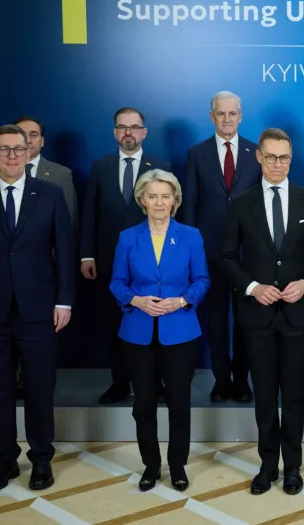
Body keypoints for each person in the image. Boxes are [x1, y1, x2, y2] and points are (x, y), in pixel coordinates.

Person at [0, 124, 75, 492]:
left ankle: (41, 460)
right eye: (3, 149)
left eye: (18, 149)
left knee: (40, 388)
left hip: (39, 308)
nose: (11, 156)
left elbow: (66, 253)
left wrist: (64, 300)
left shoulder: (51, 194)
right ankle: (4, 460)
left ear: (29, 152)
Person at [221, 128, 304, 496]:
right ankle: (267, 465)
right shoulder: (241, 203)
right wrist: (254, 288)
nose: (277, 164)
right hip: (256, 317)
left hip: (297, 316)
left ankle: (293, 468)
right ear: (258, 157)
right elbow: (226, 257)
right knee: (266, 396)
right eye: (270, 157)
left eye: (283, 157)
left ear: (291, 158)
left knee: (295, 396)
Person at [109, 169, 211, 493]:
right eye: (152, 196)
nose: (159, 202)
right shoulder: (128, 237)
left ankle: (177, 464)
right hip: (138, 332)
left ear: (175, 200)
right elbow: (116, 283)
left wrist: (182, 300)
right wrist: (136, 299)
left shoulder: (191, 235)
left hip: (179, 330)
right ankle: (150, 466)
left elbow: (202, 280)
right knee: (144, 404)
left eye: (166, 196)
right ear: (142, 200)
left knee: (180, 401)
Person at [0, 116, 79, 401]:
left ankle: (32, 385)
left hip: (41, 278)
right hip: (1, 278)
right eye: (21, 135)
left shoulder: (60, 175)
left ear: (40, 141)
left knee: (38, 353)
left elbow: (67, 229)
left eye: (33, 135)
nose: (27, 140)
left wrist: (58, 281)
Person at [80, 107, 170, 405]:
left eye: (134, 127)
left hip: (152, 260)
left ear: (144, 132)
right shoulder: (100, 167)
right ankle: (119, 383)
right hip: (109, 260)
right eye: (122, 127)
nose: (128, 132)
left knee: (152, 322)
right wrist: (86, 255)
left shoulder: (160, 166)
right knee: (115, 323)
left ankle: (155, 384)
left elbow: (170, 214)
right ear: (114, 132)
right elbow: (90, 214)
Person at [180, 91, 260, 404]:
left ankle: (241, 380)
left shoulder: (256, 152)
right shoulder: (196, 153)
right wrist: (189, 252)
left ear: (240, 116)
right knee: (215, 321)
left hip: (246, 253)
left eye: (232, 114)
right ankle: (221, 380)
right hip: (209, 252)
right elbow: (190, 207)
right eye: (220, 114)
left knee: (244, 320)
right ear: (212, 116)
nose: (226, 119)